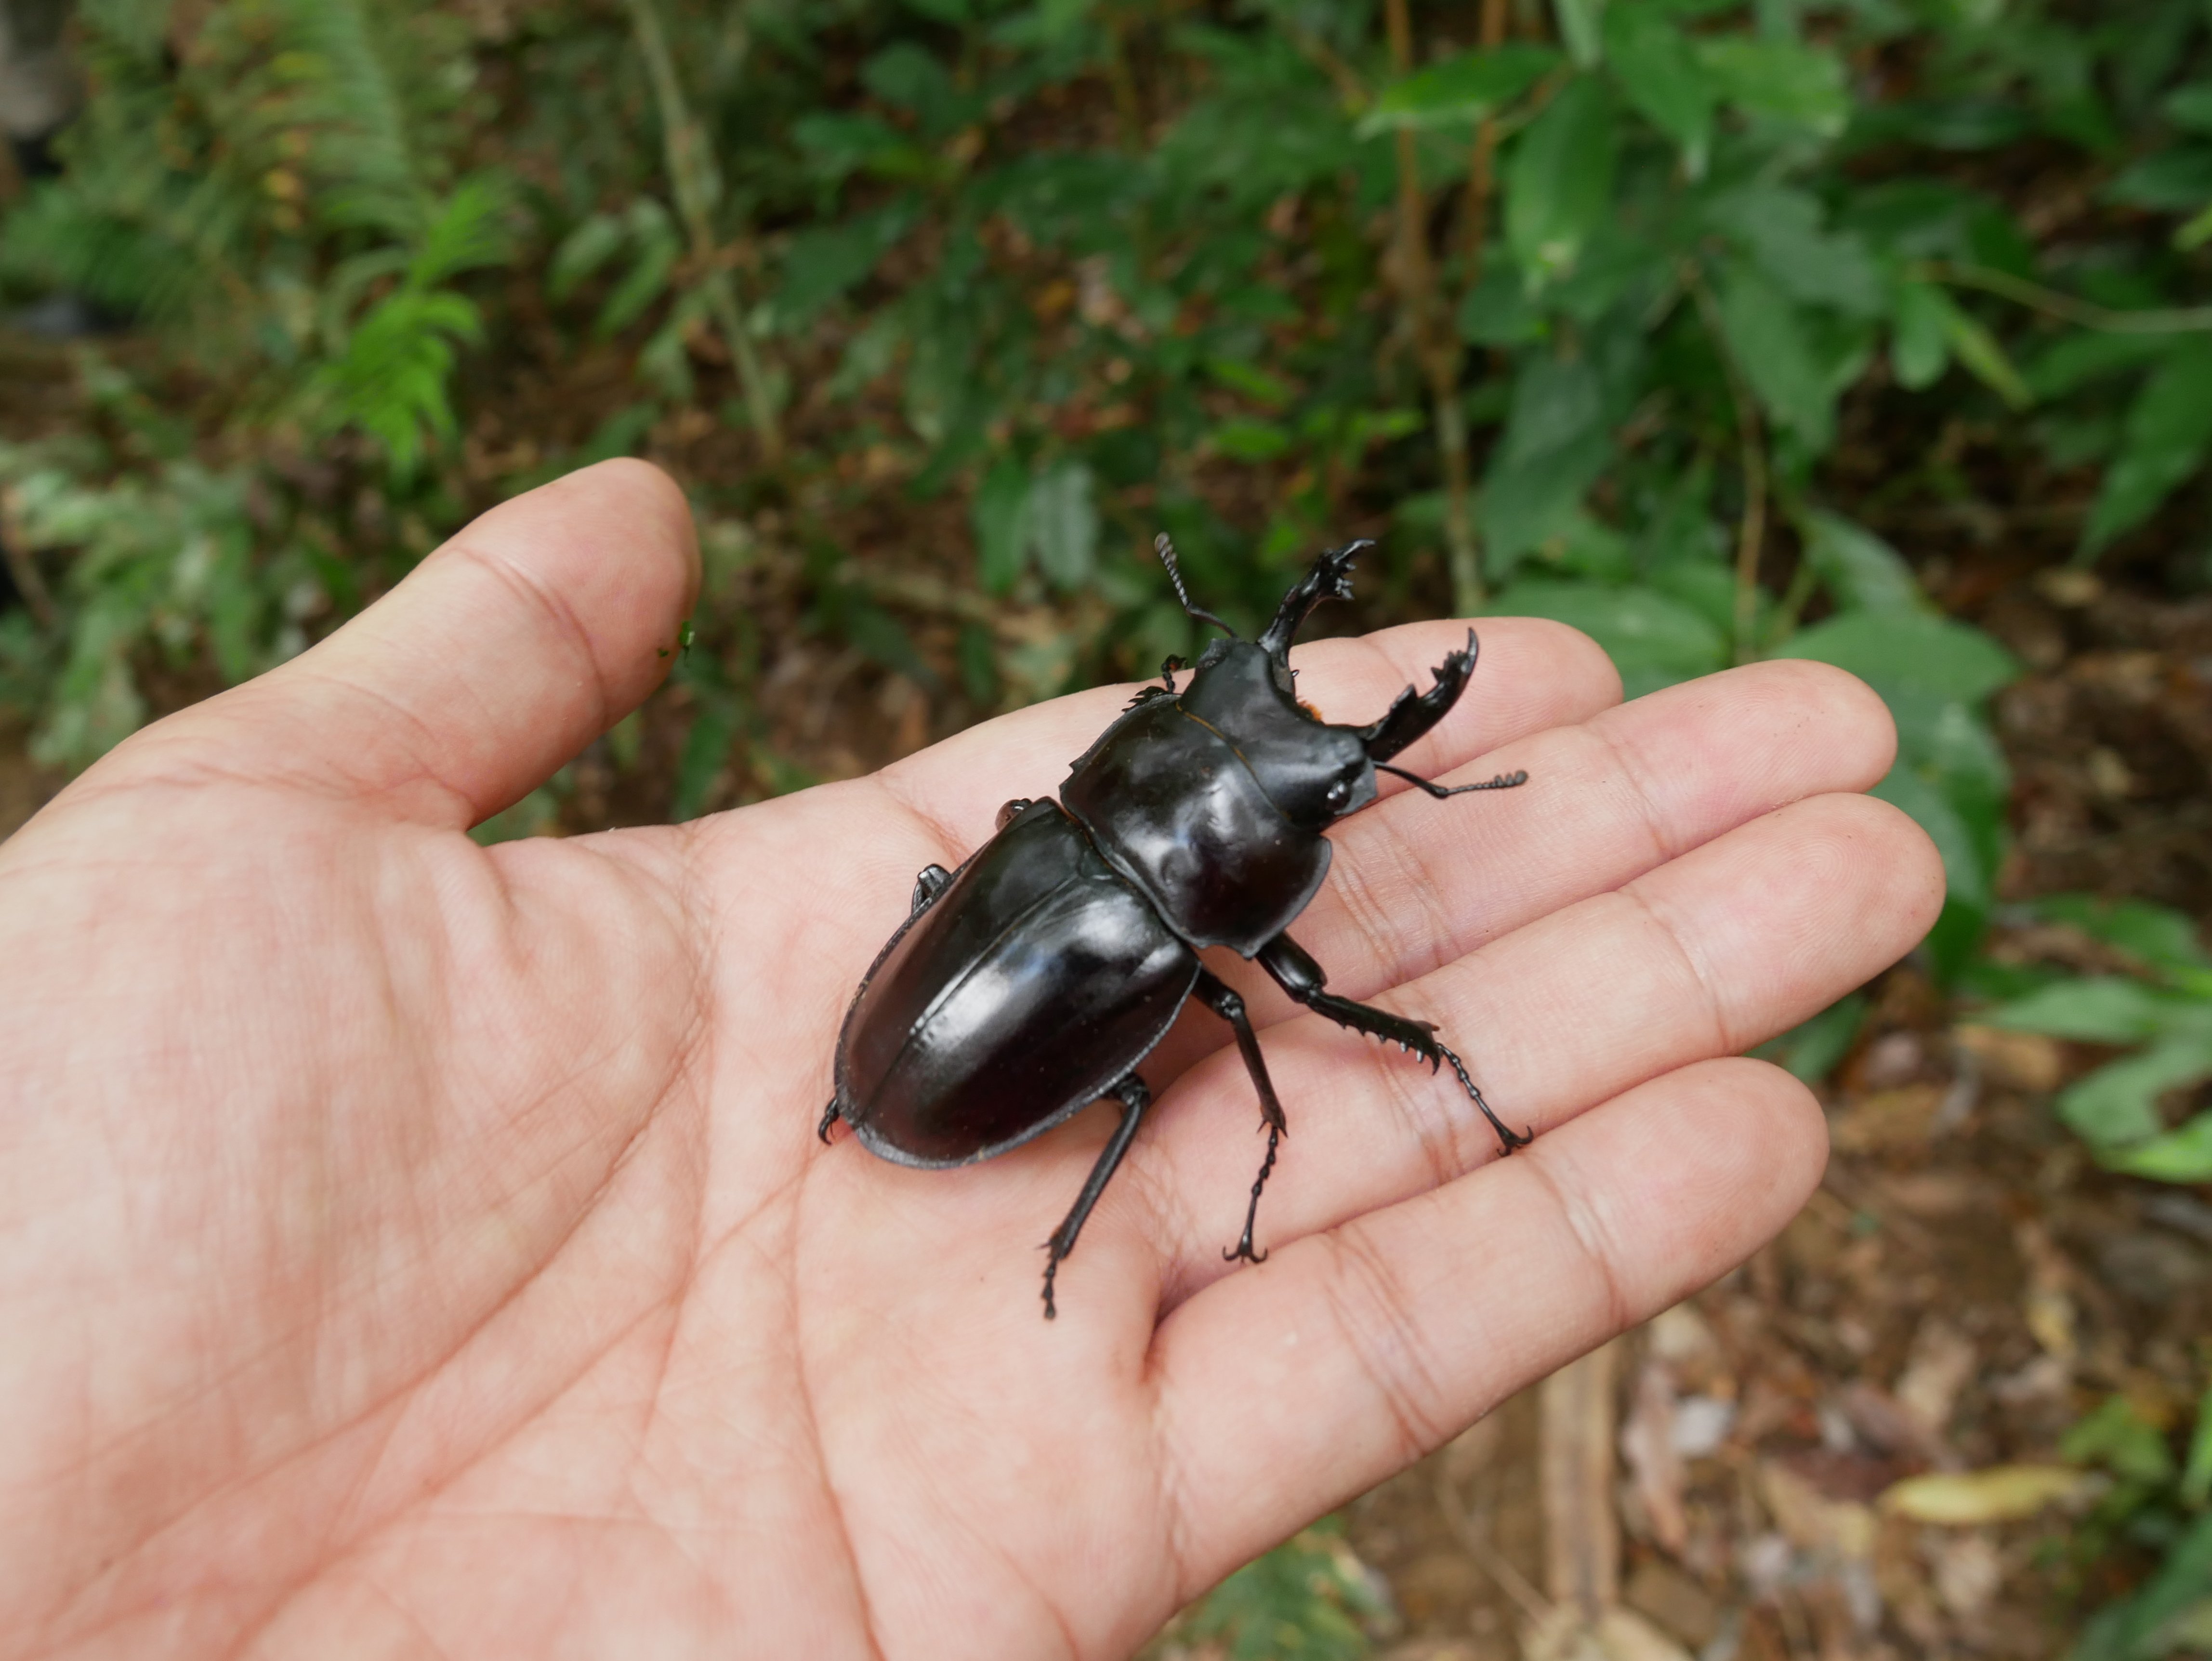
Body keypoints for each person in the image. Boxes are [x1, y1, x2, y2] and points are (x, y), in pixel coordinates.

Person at [0, 460, 1939, 1656]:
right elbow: (1243, 961)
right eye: (1238, 717)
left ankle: (1112, 1180)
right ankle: (1140, 1186)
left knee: (1183, 1035)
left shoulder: (1050, 833)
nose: (1266, 724)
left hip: (951, 999)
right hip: (948, 1053)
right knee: (1188, 1054)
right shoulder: (1165, 914)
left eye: (1304, 759)